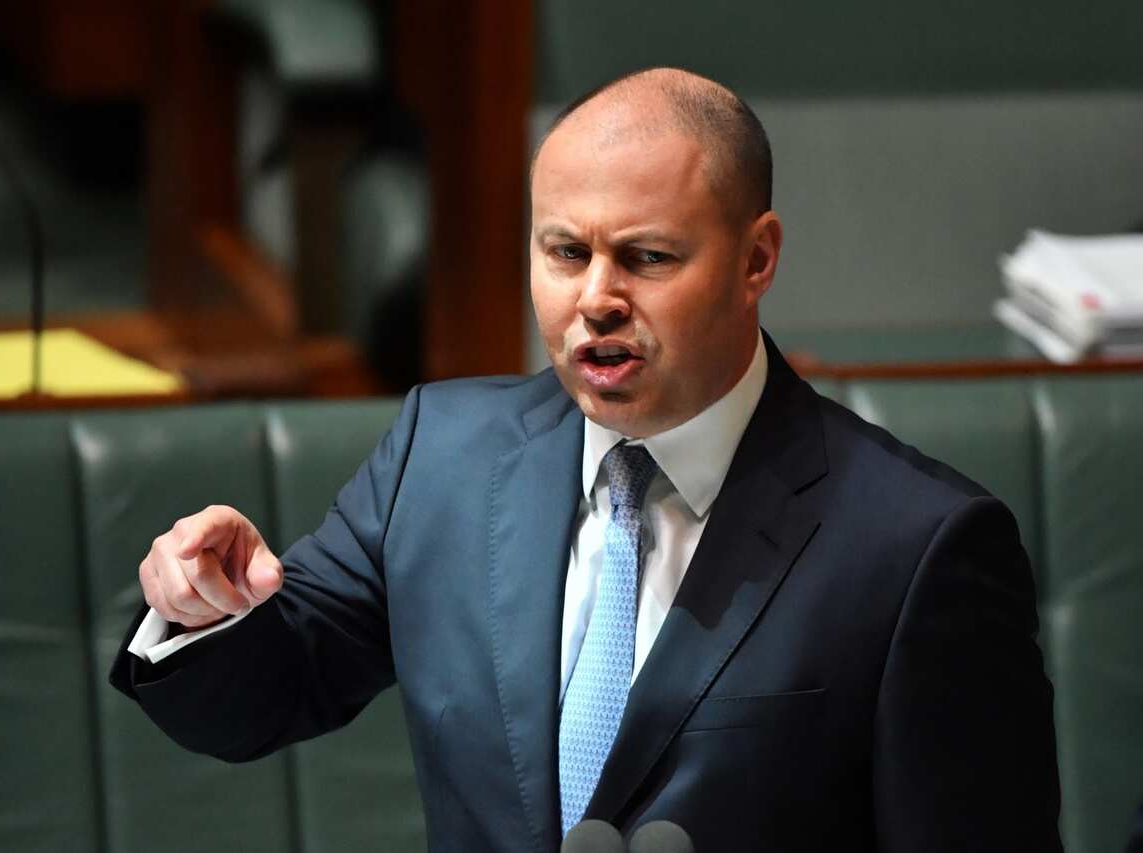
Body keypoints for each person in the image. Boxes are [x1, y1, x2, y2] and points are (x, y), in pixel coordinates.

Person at [111, 68, 1062, 851]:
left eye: (647, 258)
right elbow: (266, 693)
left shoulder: (917, 548)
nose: (595, 299)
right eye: (564, 252)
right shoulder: (440, 455)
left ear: (756, 259)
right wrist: (201, 609)